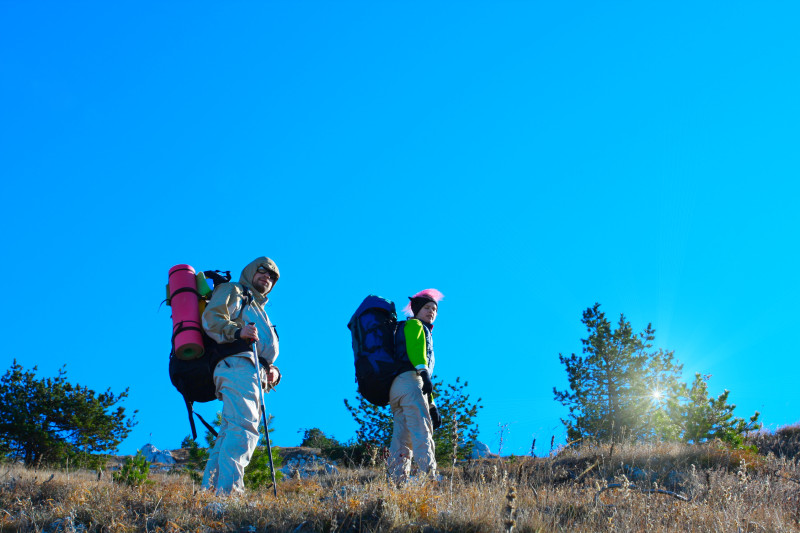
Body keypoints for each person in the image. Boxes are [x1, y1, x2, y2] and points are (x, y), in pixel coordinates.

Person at [201, 257, 281, 495]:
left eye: (273, 277)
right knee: (244, 428)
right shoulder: (235, 290)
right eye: (263, 271)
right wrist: (238, 332)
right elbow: (212, 319)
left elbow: (267, 356)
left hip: (250, 372)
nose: (267, 277)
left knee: (231, 431)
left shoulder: (261, 312)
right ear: (250, 271)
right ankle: (229, 494)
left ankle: (211, 494)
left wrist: (274, 373)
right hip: (236, 365)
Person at [388, 288, 444, 483]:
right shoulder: (414, 326)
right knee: (422, 429)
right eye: (427, 307)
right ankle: (429, 476)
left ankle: (397, 481)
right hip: (412, 381)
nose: (431, 312)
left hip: (396, 388)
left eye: (434, 309)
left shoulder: (403, 328)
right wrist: (423, 373)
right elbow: (416, 351)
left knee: (402, 438)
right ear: (417, 309)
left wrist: (432, 405)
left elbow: (424, 384)